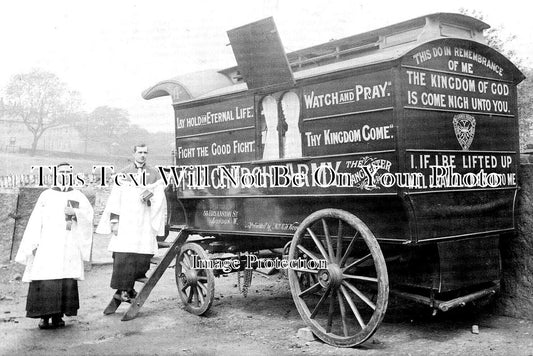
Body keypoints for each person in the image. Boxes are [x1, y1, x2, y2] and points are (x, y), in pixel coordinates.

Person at [15, 162, 94, 329]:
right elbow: (36, 220)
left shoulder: (78, 195)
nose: (65, 175)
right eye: (62, 172)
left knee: (64, 277)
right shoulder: (46, 195)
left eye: (68, 172)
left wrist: (76, 213)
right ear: (57, 175)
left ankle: (58, 316)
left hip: (69, 243)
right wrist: (34, 243)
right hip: (48, 243)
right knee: (46, 277)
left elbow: (88, 217)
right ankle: (44, 317)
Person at [96, 144, 167, 303]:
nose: (143, 155)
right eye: (140, 152)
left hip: (144, 221)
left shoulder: (154, 174)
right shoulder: (124, 174)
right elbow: (115, 199)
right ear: (133, 153)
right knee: (124, 253)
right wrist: (114, 221)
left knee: (142, 255)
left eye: (145, 153)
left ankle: (128, 289)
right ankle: (124, 290)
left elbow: (159, 196)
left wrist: (149, 195)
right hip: (127, 221)